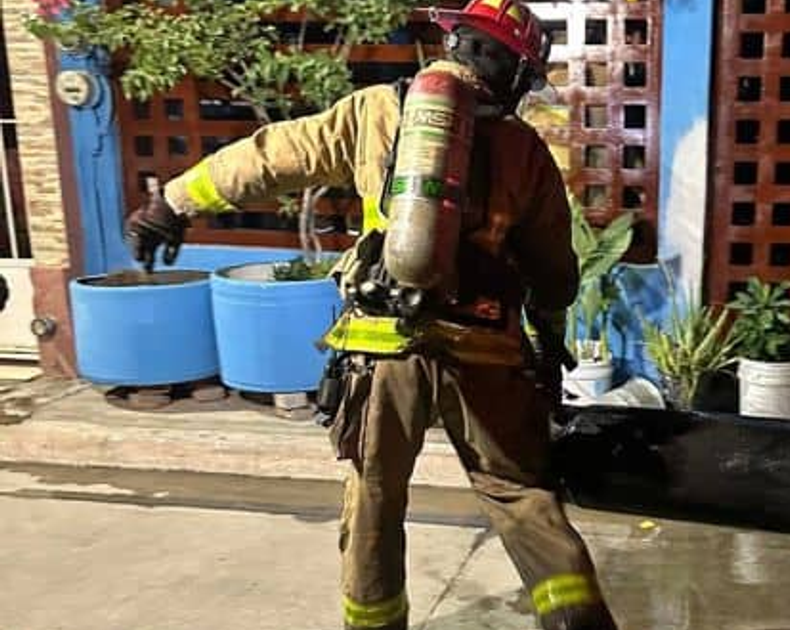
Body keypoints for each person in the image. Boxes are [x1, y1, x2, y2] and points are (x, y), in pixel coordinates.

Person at [123, 1, 619, 629]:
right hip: (486, 353)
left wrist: (171, 203)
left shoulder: (375, 111)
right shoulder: (525, 151)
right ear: (515, 72)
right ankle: (579, 622)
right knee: (521, 495)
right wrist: (546, 344)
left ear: (457, 44)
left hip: (383, 348)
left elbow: (271, 156)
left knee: (374, 500)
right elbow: (553, 273)